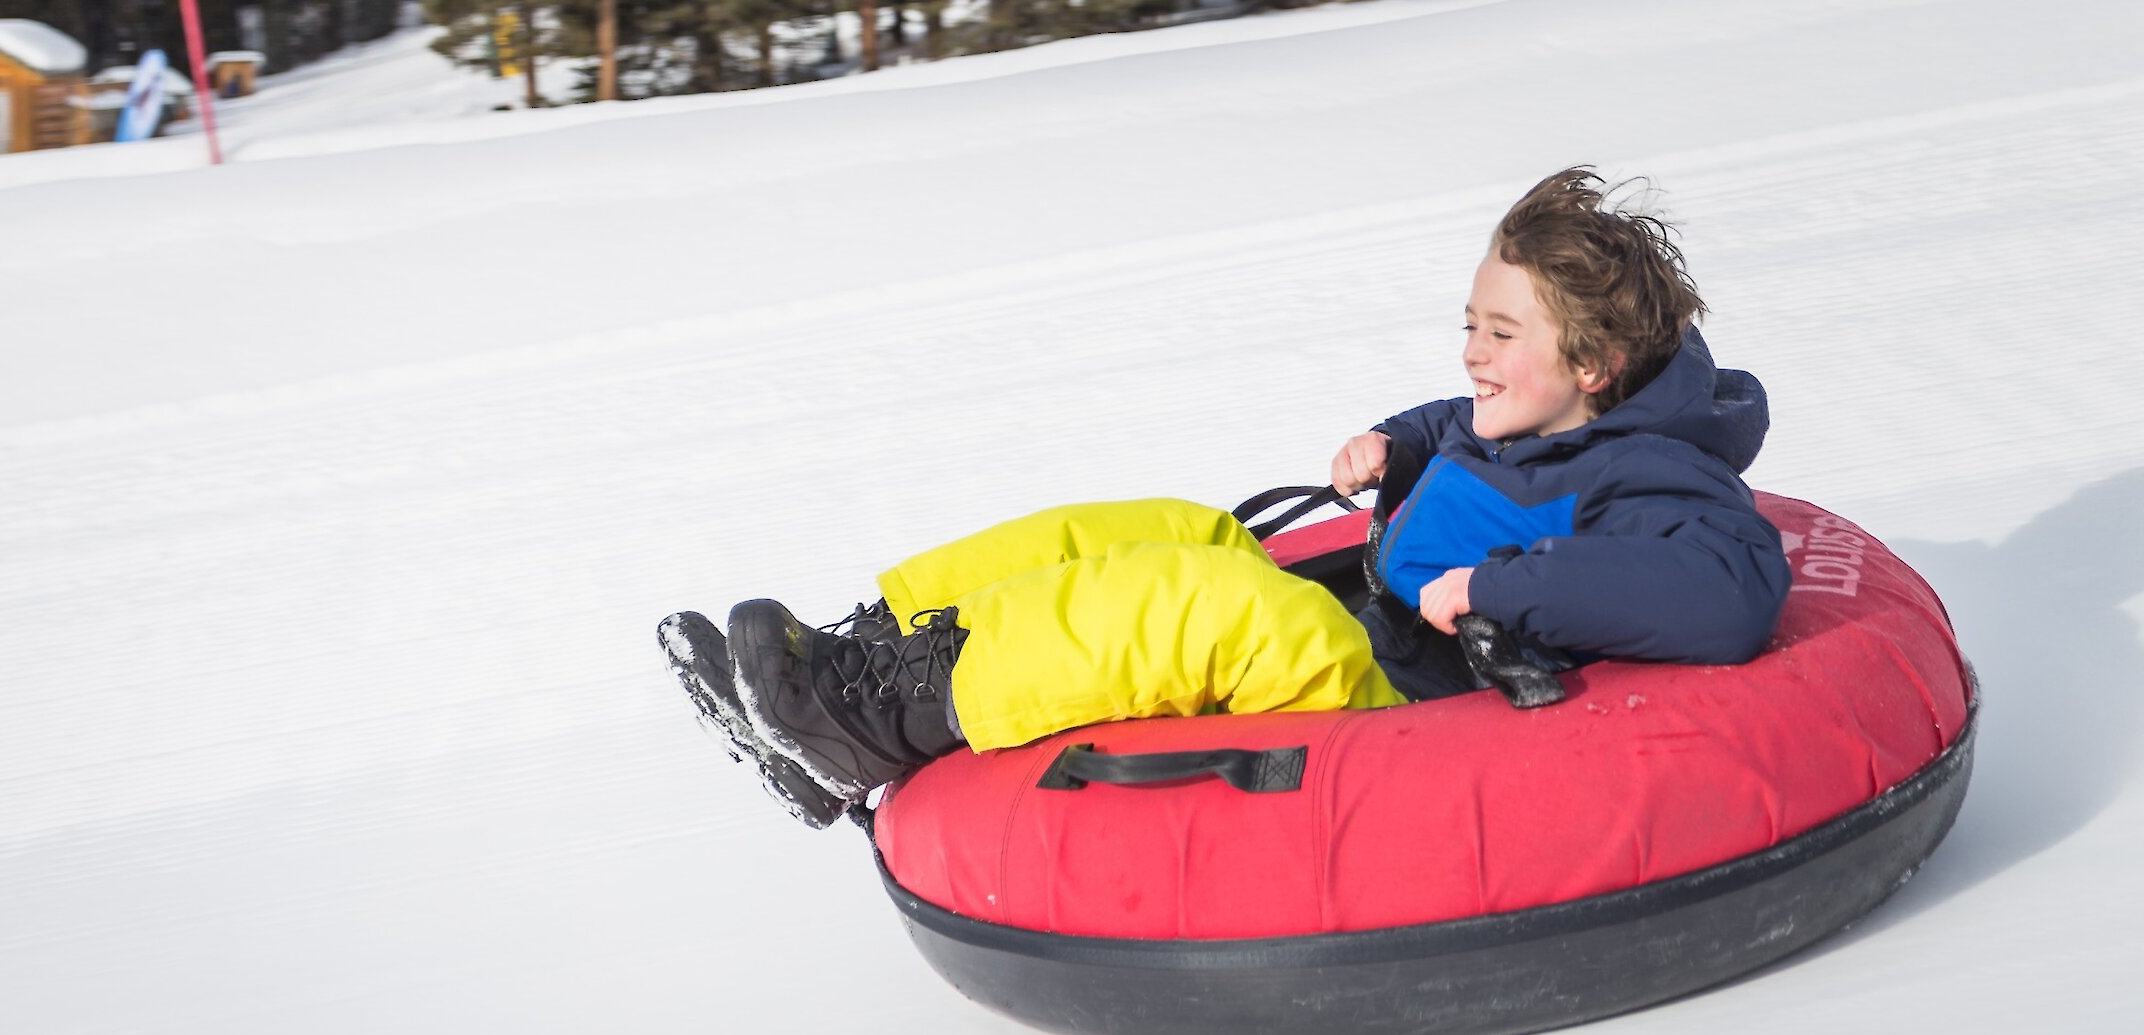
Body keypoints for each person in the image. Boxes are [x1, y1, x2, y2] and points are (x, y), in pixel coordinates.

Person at [662, 167, 1792, 828]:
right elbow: (1458, 430)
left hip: (1417, 709)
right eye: (1468, 324)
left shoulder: (1658, 474)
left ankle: (887, 721)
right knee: (1173, 532)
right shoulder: (1545, 415)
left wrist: (1502, 587)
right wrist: (1394, 447)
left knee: (1221, 606)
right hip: (1382, 633)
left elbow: (1725, 592)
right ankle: (864, 654)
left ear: (1593, 365)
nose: (1470, 355)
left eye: (1501, 336)